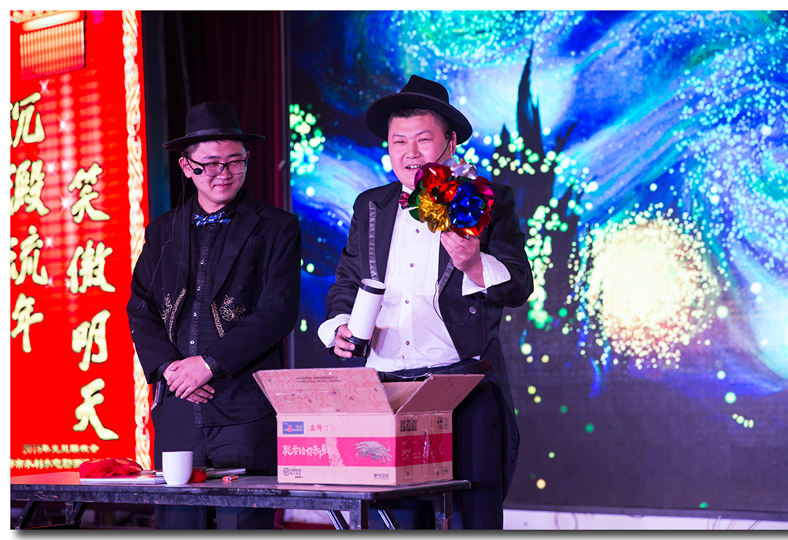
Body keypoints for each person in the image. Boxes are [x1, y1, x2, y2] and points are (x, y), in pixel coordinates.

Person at [318, 75, 533, 529]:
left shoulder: (484, 198)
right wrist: (339, 326)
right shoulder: (371, 205)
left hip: (462, 387)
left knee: (474, 522)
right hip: (386, 391)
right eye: (399, 141)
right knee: (398, 522)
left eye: (423, 139)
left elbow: (518, 285)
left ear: (450, 143)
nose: (410, 152)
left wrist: (474, 264)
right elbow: (348, 280)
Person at [127, 102, 301, 529]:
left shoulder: (276, 226)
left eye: (235, 162)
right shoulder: (162, 230)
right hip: (178, 410)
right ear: (187, 167)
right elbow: (141, 307)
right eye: (210, 164)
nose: (223, 173)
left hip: (244, 410)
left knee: (244, 526)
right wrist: (170, 370)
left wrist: (208, 364)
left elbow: (278, 312)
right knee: (178, 526)